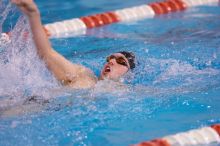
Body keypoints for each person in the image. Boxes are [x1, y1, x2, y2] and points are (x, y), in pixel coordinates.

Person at [11, 0, 136, 89]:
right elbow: (46, 53)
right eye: (110, 58)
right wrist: (33, 14)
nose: (111, 62)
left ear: (129, 74)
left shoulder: (127, 94)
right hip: (35, 107)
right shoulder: (83, 76)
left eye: (121, 61)